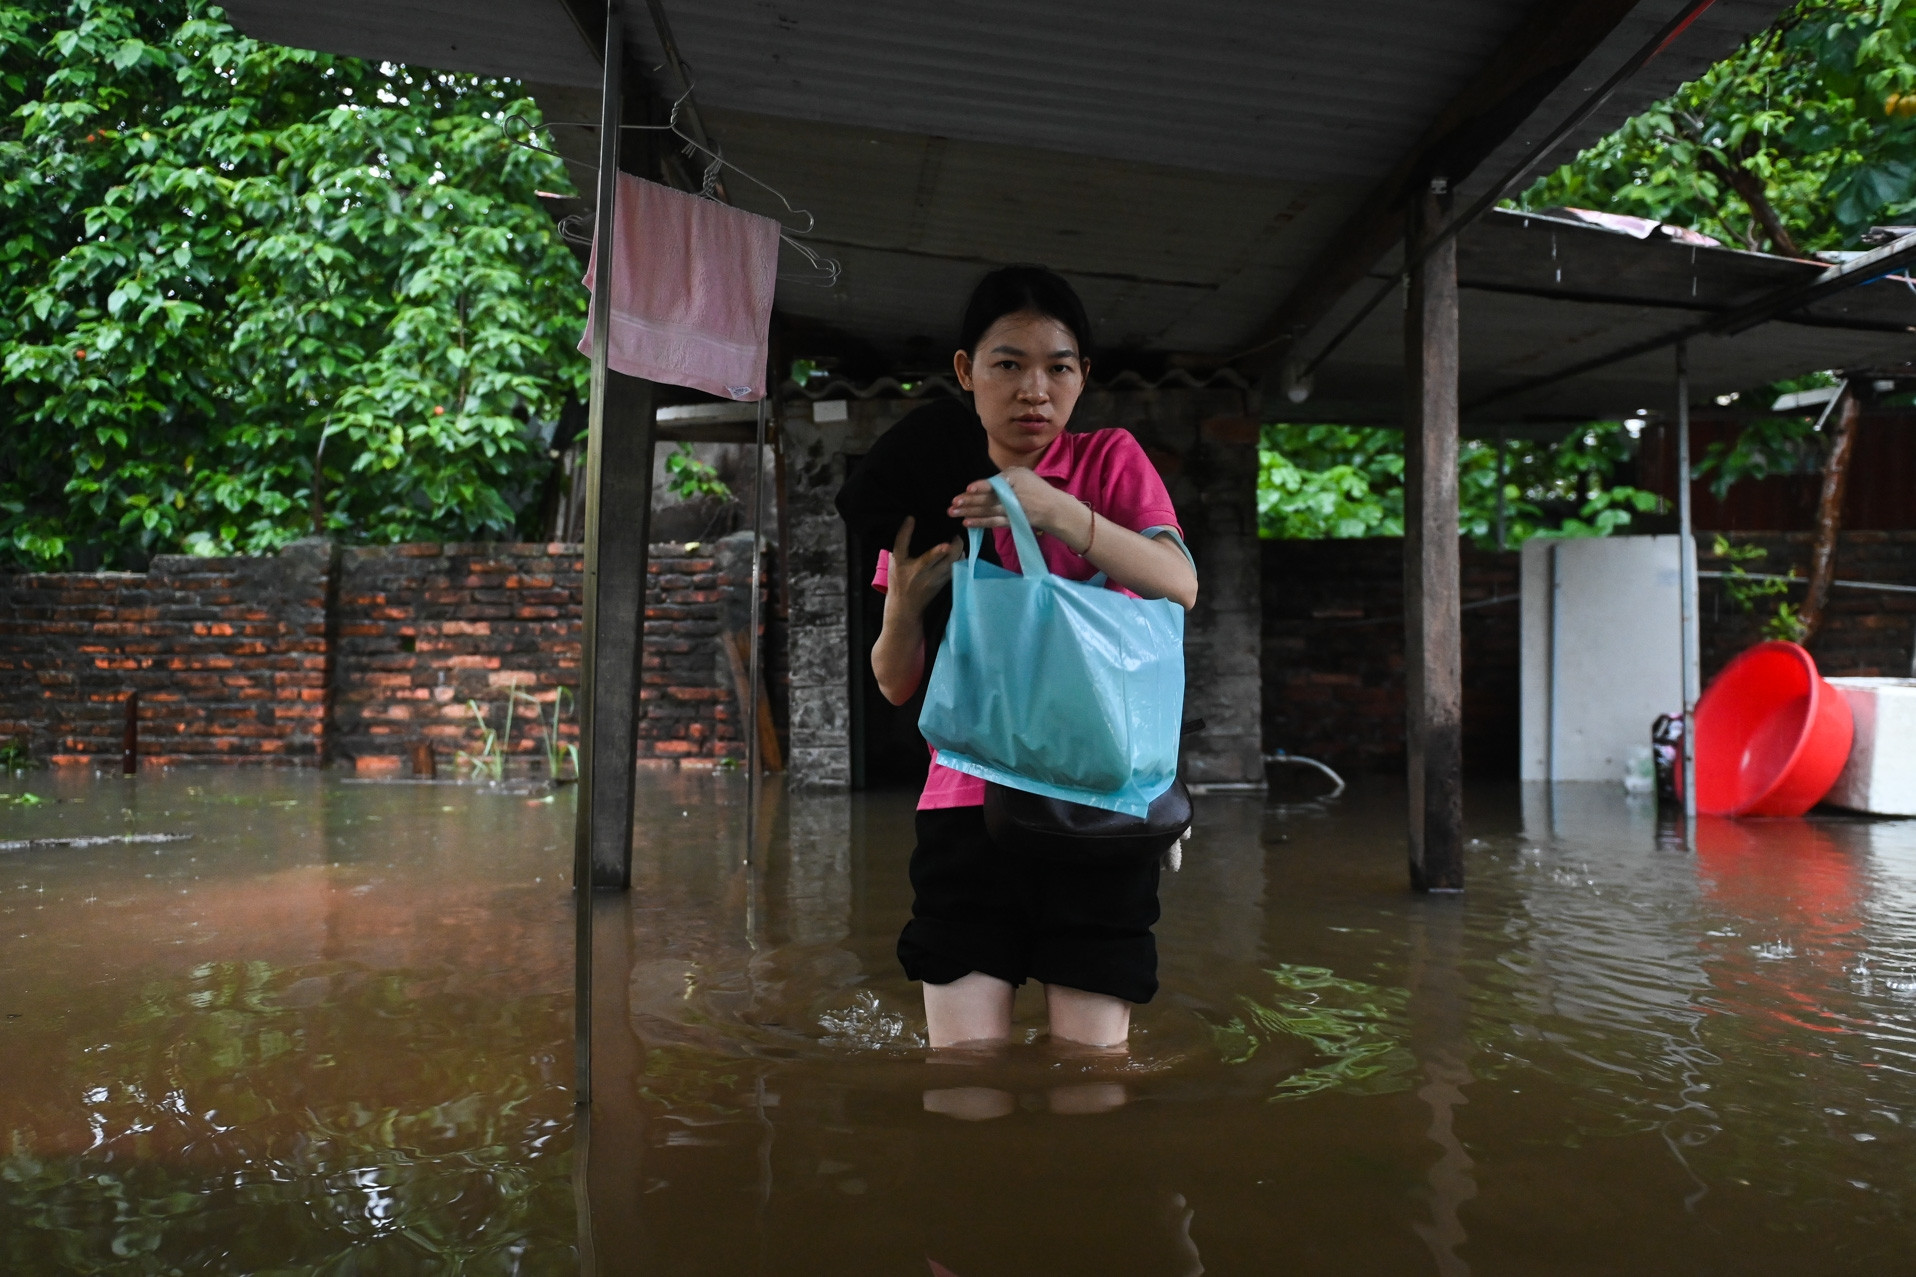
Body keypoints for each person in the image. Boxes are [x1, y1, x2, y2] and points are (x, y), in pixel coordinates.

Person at [839, 265, 1198, 1060]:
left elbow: (1180, 583)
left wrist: (1055, 511)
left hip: (1099, 801)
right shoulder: (935, 488)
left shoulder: (1109, 462)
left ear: (1082, 377)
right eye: (1009, 364)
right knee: (965, 1080)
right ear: (968, 371)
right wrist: (902, 606)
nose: (1035, 388)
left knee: (1092, 1076)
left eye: (1058, 367)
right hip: (966, 808)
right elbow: (897, 683)